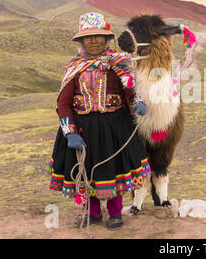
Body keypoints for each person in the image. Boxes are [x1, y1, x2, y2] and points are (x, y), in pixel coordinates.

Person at [47, 12, 150, 230]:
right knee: (87, 171)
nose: (94, 40)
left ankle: (115, 214)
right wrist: (70, 132)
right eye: (88, 37)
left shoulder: (118, 65)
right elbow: (63, 103)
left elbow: (129, 92)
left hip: (114, 127)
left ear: (107, 39)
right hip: (82, 129)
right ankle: (93, 213)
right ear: (82, 41)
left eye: (98, 36)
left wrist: (137, 104)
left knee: (113, 171)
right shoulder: (74, 68)